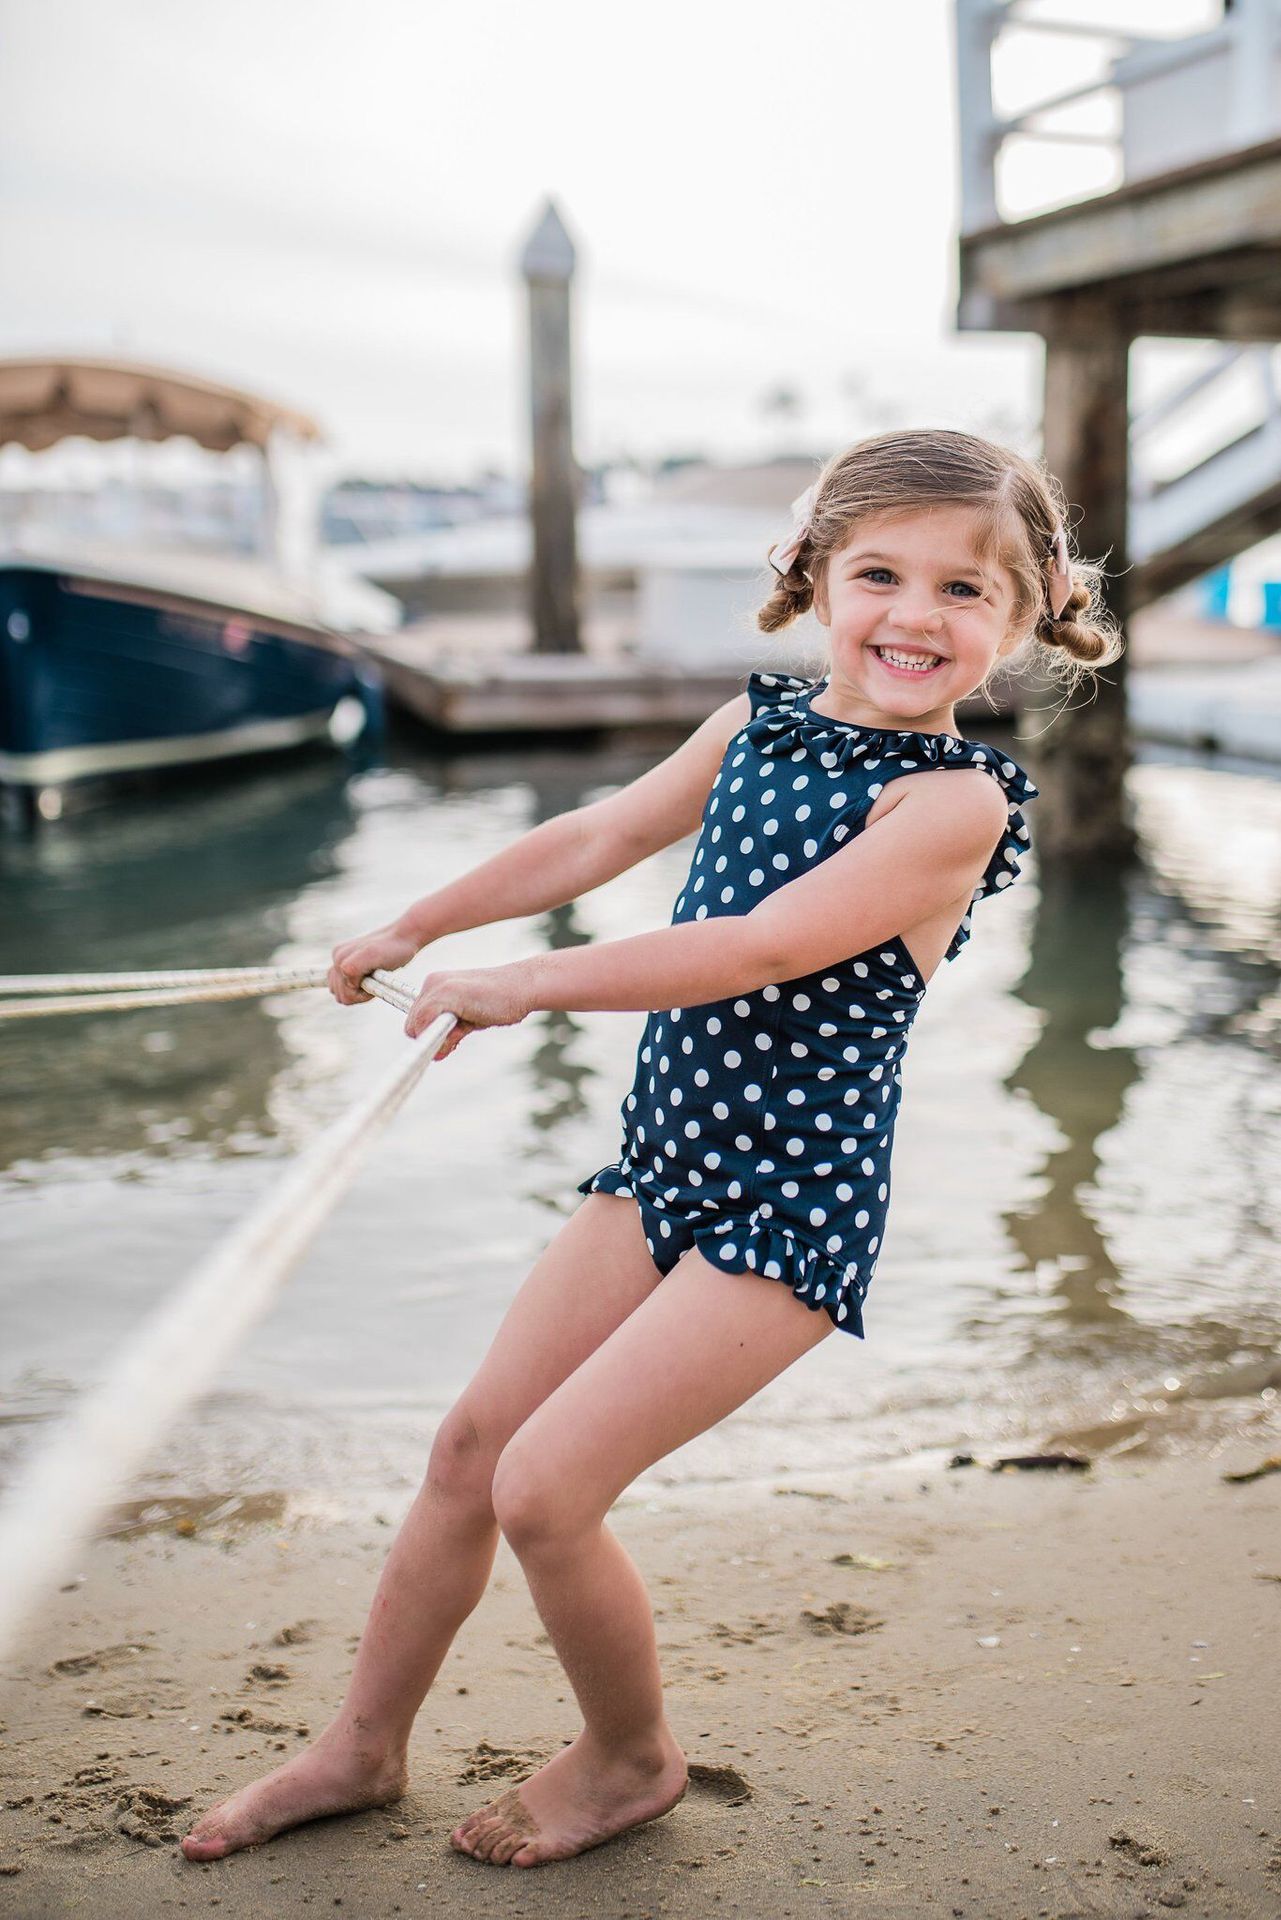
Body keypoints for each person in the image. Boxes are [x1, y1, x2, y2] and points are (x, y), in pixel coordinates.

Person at [181, 428, 1121, 1870]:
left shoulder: (952, 804)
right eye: (878, 574)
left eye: (961, 591)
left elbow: (751, 949)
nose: (913, 617)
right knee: (468, 1451)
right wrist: (421, 924)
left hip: (785, 1214)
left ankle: (629, 1758)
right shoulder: (756, 725)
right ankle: (358, 1750)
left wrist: (524, 986)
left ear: (1025, 612)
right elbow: (592, 836)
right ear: (813, 577)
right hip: (658, 1168)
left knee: (547, 1491)